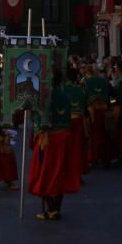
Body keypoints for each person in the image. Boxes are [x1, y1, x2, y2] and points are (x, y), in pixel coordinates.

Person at [29, 71, 80, 221]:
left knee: (44, 173)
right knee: (59, 172)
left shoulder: (42, 97)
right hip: (63, 137)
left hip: (48, 139)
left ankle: (50, 209)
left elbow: (38, 119)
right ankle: (56, 209)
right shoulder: (66, 96)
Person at [63, 67, 89, 182]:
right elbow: (84, 107)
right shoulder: (80, 90)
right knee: (77, 148)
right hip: (78, 121)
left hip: (65, 122)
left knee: (66, 148)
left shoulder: (63, 90)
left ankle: (67, 173)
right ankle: (77, 174)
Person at [84, 64, 112, 168]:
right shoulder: (104, 81)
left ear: (88, 72)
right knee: (104, 135)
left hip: (92, 112)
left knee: (92, 136)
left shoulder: (86, 82)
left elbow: (85, 97)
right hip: (104, 111)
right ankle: (104, 158)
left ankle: (92, 158)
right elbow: (110, 96)